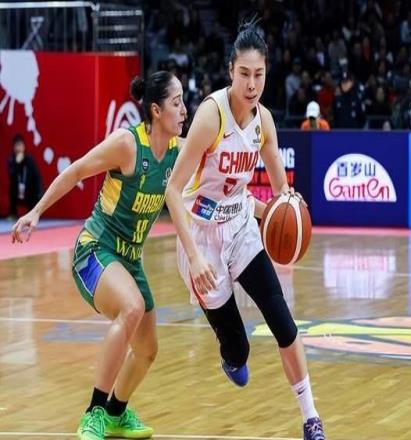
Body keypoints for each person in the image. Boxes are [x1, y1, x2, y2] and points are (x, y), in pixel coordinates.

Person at [165, 20, 326, 440]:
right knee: (239, 350)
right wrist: (195, 258)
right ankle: (231, 354)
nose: (252, 84)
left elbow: (281, 191)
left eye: (259, 74)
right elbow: (173, 192)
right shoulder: (210, 116)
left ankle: (311, 417)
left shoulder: (264, 122)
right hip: (200, 236)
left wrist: (289, 205)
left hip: (239, 227)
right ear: (230, 72)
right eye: (244, 74)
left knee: (282, 320)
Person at [11, 71, 186, 440]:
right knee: (132, 308)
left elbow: (220, 174)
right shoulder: (127, 143)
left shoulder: (177, 152)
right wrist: (36, 212)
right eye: (177, 102)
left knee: (148, 350)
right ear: (156, 110)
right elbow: (77, 170)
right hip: (94, 249)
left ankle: (116, 413)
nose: (185, 109)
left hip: (129, 259)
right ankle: (94, 413)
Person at [7, 134, 42, 218]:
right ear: (14, 147)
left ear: (24, 146)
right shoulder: (11, 160)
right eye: (17, 145)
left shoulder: (29, 159)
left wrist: (39, 192)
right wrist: (17, 163)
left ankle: (33, 214)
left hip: (28, 190)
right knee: (11, 189)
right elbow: (12, 175)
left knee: (35, 191)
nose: (18, 148)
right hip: (17, 191)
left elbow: (36, 176)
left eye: (20, 145)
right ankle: (13, 214)